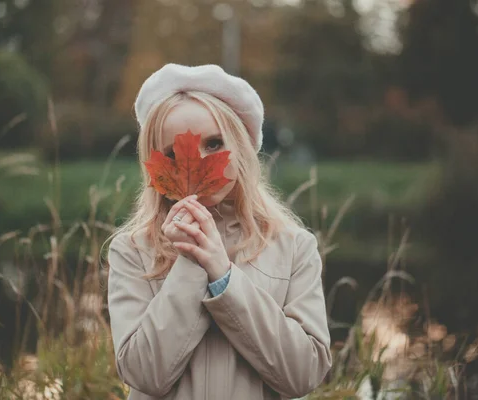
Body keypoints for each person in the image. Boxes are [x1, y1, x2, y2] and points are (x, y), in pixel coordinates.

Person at [106, 63, 332, 400]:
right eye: (174, 153)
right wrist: (190, 264)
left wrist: (223, 275)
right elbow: (144, 374)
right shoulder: (133, 251)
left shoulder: (293, 247)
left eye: (213, 144)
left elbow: (305, 373)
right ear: (155, 166)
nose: (195, 163)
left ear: (241, 148)